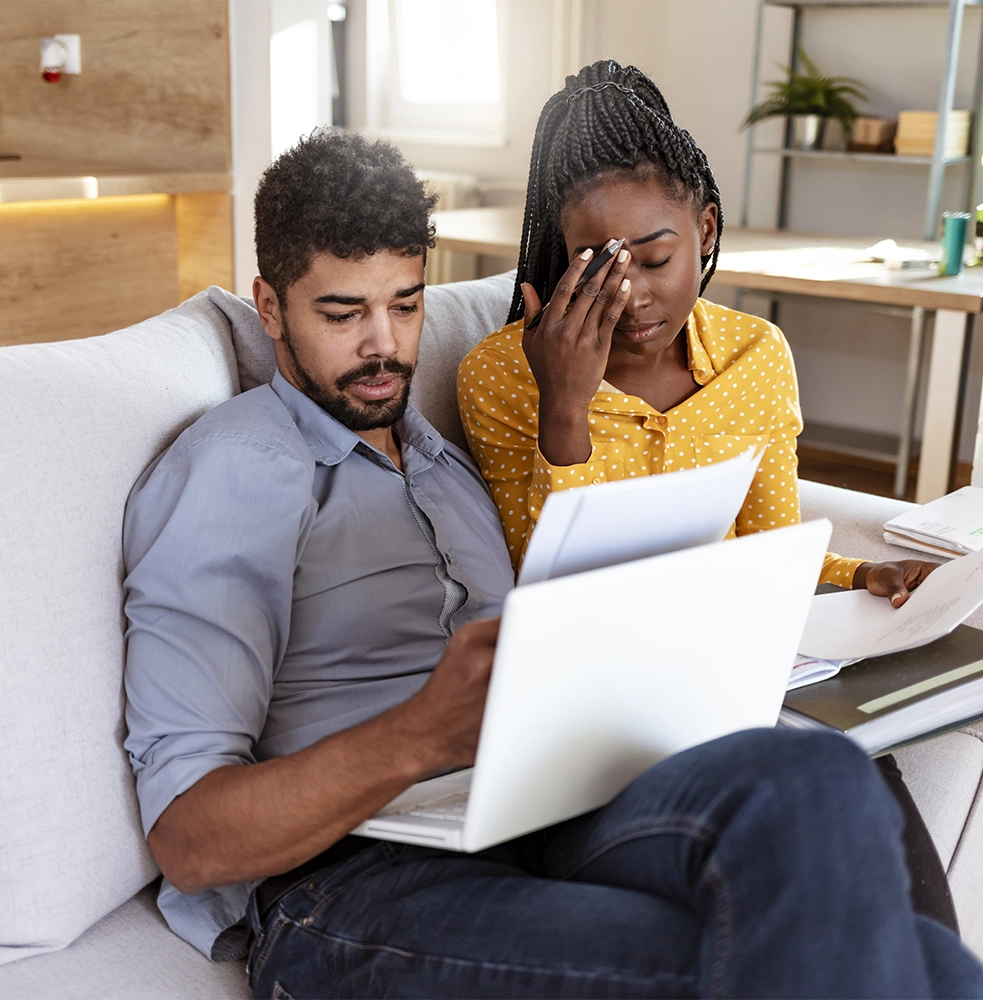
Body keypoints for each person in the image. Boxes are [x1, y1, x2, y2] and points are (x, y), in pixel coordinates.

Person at [122, 126, 983, 999]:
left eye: (408, 305)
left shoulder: (443, 460)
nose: (384, 348)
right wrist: (421, 733)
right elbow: (190, 842)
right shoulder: (231, 472)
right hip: (355, 882)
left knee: (819, 774)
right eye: (342, 314)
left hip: (542, 811)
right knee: (887, 969)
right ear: (270, 308)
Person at [456, 60, 959, 931]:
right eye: (595, 268)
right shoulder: (503, 375)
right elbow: (539, 584)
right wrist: (564, 406)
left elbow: (764, 547)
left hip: (732, 674)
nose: (632, 296)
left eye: (655, 258)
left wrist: (855, 575)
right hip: (596, 703)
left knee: (867, 807)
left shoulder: (755, 357)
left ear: (706, 227)